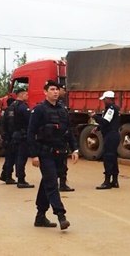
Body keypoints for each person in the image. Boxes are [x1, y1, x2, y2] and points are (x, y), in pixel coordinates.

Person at [27, 80, 79, 230]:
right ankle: (61, 215)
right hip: (45, 153)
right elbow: (31, 133)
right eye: (52, 89)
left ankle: (40, 216)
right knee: (52, 184)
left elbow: (68, 131)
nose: (55, 92)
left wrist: (75, 149)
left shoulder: (63, 110)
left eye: (57, 89)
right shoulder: (39, 110)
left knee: (47, 183)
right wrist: (34, 155)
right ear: (45, 92)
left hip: (60, 153)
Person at [90, 91, 121, 190]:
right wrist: (98, 128)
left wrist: (94, 116)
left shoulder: (111, 109)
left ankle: (107, 181)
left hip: (110, 136)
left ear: (109, 99)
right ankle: (115, 181)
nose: (103, 101)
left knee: (108, 157)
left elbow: (106, 121)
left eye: (104, 99)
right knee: (113, 157)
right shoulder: (111, 108)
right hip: (113, 135)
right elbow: (108, 122)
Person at [9, 89, 34, 189]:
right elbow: (29, 121)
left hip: (15, 134)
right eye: (26, 94)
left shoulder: (12, 106)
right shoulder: (23, 107)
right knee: (21, 158)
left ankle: (18, 177)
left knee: (17, 157)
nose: (28, 96)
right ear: (22, 95)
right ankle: (21, 180)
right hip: (22, 135)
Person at [56, 83, 74, 192]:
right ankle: (58, 184)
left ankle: (62, 183)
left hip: (63, 138)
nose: (64, 92)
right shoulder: (57, 106)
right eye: (63, 89)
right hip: (56, 139)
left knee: (63, 163)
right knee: (57, 163)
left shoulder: (62, 104)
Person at [0, 97, 17, 185]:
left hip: (5, 137)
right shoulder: (10, 112)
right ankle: (8, 177)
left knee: (8, 158)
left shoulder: (4, 112)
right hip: (9, 138)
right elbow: (10, 126)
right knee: (10, 158)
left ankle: (4, 175)